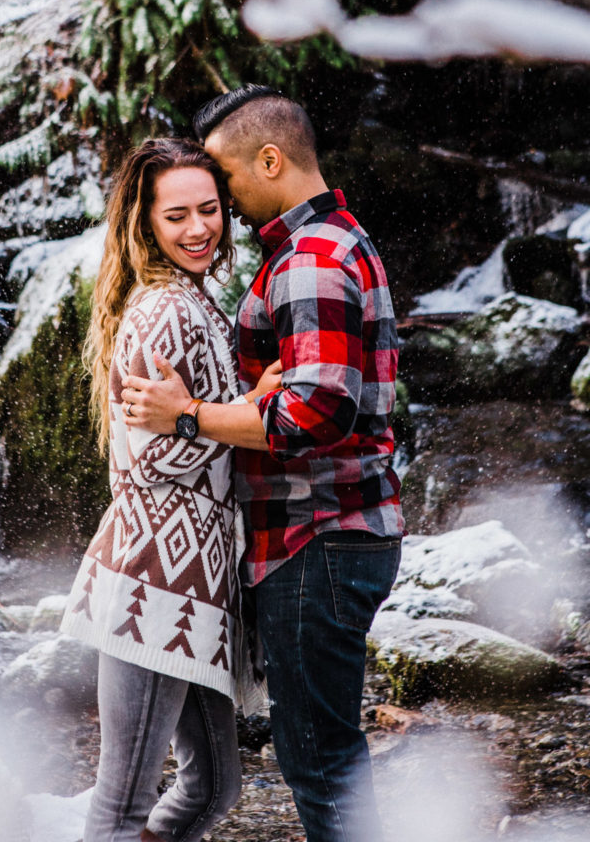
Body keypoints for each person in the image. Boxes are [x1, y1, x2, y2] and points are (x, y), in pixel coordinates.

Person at [121, 86, 405, 842]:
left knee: (318, 759)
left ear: (270, 160)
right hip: (334, 535)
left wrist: (188, 415)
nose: (221, 202)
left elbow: (315, 411)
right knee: (325, 752)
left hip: (317, 538)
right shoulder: (335, 241)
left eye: (225, 181)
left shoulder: (309, 258)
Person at [60, 137, 270, 842]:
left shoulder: (198, 301)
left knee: (212, 785)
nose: (198, 228)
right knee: (120, 807)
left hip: (195, 577)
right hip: (157, 578)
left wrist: (225, 409)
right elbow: (151, 462)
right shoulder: (165, 312)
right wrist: (234, 414)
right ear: (145, 220)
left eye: (208, 211)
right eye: (176, 215)